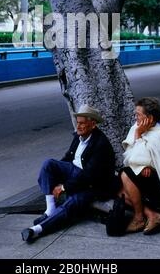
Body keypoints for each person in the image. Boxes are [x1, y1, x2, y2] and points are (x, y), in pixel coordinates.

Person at [21, 104, 117, 242]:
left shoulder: (100, 144)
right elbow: (68, 158)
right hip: (75, 173)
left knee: (73, 202)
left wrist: (64, 187)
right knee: (49, 164)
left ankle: (37, 230)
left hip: (93, 185)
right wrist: (58, 175)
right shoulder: (78, 136)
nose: (78, 126)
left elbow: (89, 176)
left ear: (93, 124)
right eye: (78, 123)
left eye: (82, 123)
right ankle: (50, 210)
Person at [118, 97, 160, 235]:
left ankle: (139, 218)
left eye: (138, 114)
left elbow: (156, 163)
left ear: (149, 118)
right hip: (146, 174)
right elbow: (128, 157)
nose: (136, 117)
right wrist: (142, 163)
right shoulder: (137, 127)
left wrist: (146, 164)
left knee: (125, 174)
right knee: (119, 190)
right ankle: (151, 214)